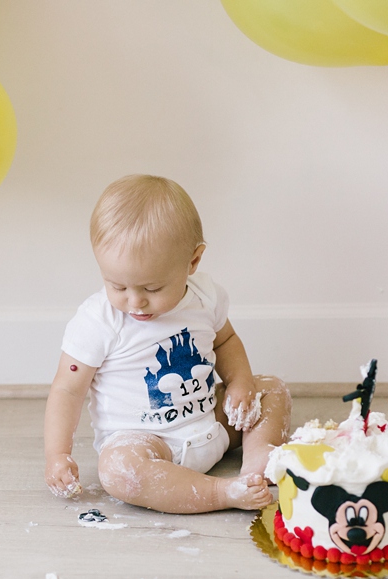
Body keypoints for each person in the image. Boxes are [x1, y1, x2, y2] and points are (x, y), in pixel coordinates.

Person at [43, 175, 291, 513]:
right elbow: (68, 389)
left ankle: (258, 462)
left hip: (212, 425)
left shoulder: (205, 297)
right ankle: (221, 492)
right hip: (149, 444)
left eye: (152, 288)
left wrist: (240, 383)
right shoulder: (97, 321)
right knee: (117, 471)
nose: (135, 302)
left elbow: (226, 340)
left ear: (192, 262)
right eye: (117, 286)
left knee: (271, 389)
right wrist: (58, 454)